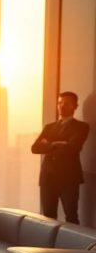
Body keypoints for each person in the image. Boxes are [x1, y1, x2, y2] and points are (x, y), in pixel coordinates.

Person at [31, 91, 89, 224]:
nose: (62, 106)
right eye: (60, 103)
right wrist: (57, 144)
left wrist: (48, 144)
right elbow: (35, 148)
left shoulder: (81, 127)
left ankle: (71, 245)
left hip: (69, 178)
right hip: (48, 177)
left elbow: (72, 147)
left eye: (67, 103)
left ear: (75, 106)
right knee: (48, 218)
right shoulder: (49, 127)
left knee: (71, 217)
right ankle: (50, 245)